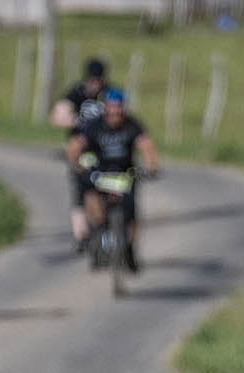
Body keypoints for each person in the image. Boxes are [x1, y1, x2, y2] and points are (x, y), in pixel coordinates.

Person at [64, 88, 160, 273]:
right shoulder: (94, 125)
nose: (115, 111)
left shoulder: (132, 124)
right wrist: (76, 163)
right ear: (105, 107)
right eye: (111, 107)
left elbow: (146, 144)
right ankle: (97, 234)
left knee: (131, 214)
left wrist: (152, 165)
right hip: (100, 172)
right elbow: (76, 144)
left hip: (124, 173)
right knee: (90, 196)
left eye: (118, 107)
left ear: (123, 107)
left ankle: (130, 249)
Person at [49, 58, 109, 249]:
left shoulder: (109, 93)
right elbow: (57, 117)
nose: (95, 84)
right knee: (80, 187)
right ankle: (81, 234)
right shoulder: (77, 93)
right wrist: (75, 121)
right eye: (92, 79)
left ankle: (109, 224)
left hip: (105, 147)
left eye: (98, 80)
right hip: (81, 149)